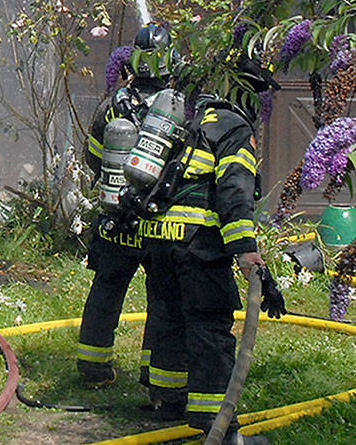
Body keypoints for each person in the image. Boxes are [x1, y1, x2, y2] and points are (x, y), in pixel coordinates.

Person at [135, 53, 278, 445]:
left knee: (167, 317)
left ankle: (166, 400)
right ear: (246, 90)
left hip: (159, 238)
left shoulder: (187, 115)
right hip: (199, 244)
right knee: (210, 326)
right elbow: (234, 192)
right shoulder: (233, 127)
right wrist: (246, 251)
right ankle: (219, 425)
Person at [77, 23, 172, 405]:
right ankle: (154, 376)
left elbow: (93, 154)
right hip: (156, 220)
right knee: (162, 296)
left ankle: (93, 368)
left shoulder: (115, 101)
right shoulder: (175, 105)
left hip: (115, 217)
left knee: (106, 289)